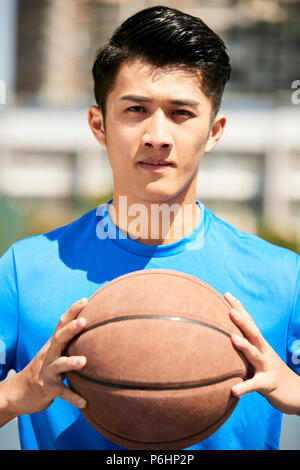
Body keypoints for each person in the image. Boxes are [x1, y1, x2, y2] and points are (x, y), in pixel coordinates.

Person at [0, 5, 299, 451]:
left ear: (214, 131)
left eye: (181, 113)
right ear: (99, 125)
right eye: (136, 109)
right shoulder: (25, 270)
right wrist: (16, 394)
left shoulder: (283, 276)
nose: (157, 135)